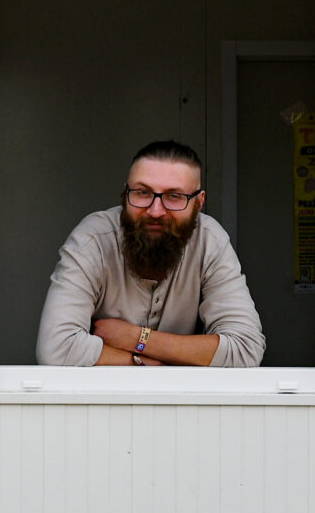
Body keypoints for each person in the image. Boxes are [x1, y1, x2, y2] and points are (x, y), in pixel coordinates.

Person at [35, 139, 267, 367]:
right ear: (125, 193)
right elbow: (55, 348)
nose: (155, 211)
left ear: (198, 203)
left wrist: (136, 338)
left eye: (174, 196)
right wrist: (147, 363)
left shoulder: (210, 241)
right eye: (142, 192)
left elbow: (246, 348)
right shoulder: (93, 239)